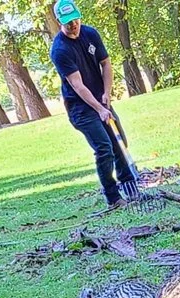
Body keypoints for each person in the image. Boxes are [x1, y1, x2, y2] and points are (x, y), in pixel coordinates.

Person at [50, 0, 143, 209]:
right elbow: (77, 85)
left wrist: (107, 94)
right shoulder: (60, 50)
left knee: (119, 143)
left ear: (79, 16)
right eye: (67, 22)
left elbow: (106, 64)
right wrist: (99, 109)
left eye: (75, 20)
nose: (73, 25)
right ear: (59, 22)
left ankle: (131, 188)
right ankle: (113, 198)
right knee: (104, 148)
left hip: (100, 99)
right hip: (80, 108)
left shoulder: (91, 34)